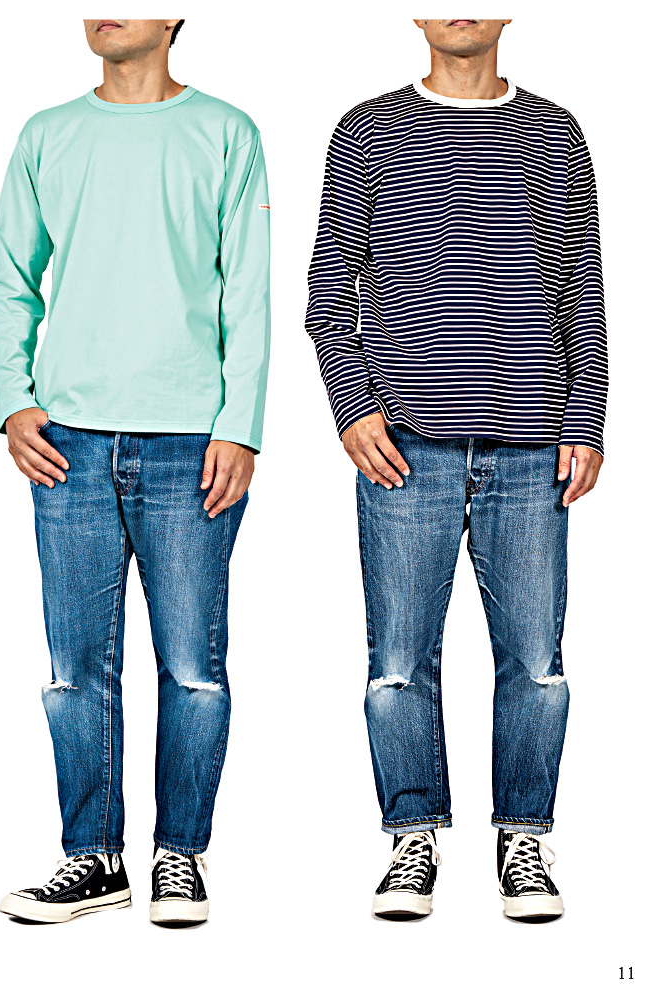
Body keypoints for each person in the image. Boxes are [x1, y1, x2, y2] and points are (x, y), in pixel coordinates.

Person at [306, 17, 606, 922]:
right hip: (406, 447)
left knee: (538, 662)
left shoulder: (555, 131)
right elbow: (329, 291)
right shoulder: (367, 129)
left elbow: (582, 288)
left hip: (530, 444)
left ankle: (524, 838)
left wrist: (587, 417)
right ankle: (412, 838)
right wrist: (354, 407)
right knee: (398, 662)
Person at [0, 18, 270, 925]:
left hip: (192, 441)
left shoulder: (225, 133)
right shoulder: (47, 135)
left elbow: (248, 289)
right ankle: (93, 858)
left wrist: (240, 425)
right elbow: (12, 279)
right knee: (74, 666)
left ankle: (179, 855)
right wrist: (14, 398)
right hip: (67, 440)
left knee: (192, 666)